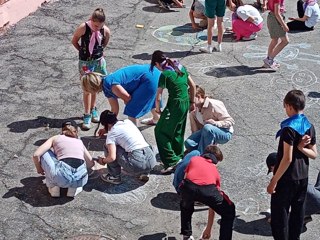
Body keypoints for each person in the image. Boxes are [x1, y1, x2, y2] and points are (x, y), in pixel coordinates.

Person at [266, 90, 317, 240]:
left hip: (287, 179)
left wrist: (273, 181)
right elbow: (314, 154)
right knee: (297, 216)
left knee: (279, 217)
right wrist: (301, 148)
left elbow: (287, 158)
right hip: (303, 177)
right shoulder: (309, 125)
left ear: (289, 106)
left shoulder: (289, 129)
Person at [150, 50, 196, 173]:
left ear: (157, 64)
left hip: (175, 104)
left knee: (160, 131)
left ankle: (171, 161)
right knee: (178, 130)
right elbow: (192, 85)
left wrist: (158, 109)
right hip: (185, 101)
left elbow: (159, 95)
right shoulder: (180, 66)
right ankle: (178, 154)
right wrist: (192, 102)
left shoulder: (165, 74)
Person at [179, 145, 235, 240]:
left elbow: (185, 178)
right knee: (229, 211)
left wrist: (186, 199)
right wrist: (208, 229)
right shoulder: (215, 171)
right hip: (207, 190)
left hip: (188, 187)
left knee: (185, 206)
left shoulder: (194, 159)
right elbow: (212, 205)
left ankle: (186, 235)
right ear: (215, 160)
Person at [81, 64, 161, 126]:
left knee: (131, 108)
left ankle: (134, 136)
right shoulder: (106, 85)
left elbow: (128, 98)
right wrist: (108, 126)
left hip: (150, 78)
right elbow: (114, 109)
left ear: (93, 88)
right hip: (153, 72)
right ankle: (156, 119)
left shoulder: (110, 84)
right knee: (149, 97)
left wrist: (131, 106)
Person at [32, 120, 95, 198]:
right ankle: (73, 189)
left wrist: (39, 169)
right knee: (78, 161)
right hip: (81, 179)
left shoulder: (56, 138)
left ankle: (54, 187)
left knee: (44, 152)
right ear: (77, 131)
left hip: (61, 177)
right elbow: (91, 163)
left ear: (62, 130)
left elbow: (36, 155)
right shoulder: (79, 141)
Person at [72, 8, 111, 130]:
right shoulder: (83, 27)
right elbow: (74, 41)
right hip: (86, 62)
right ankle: (87, 114)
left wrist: (97, 53)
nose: (97, 28)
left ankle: (94, 108)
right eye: (95, 25)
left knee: (96, 86)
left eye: (100, 26)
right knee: (87, 89)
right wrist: (83, 52)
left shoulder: (105, 30)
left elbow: (104, 43)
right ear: (91, 20)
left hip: (98, 62)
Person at [95, 110, 157, 184]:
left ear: (107, 124)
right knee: (137, 143)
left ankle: (114, 176)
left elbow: (112, 158)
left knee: (108, 147)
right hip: (151, 160)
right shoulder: (128, 122)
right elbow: (122, 132)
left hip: (137, 164)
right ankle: (145, 172)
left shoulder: (111, 135)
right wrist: (106, 130)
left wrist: (103, 161)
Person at [266, 152, 320, 225]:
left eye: (271, 170)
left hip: (316, 204)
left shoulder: (281, 180)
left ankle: (304, 216)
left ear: (273, 167)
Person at [184, 85, 234, 154]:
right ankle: (196, 156)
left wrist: (215, 123)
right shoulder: (195, 112)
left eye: (190, 100)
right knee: (189, 143)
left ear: (198, 96)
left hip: (224, 132)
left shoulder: (213, 104)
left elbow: (230, 121)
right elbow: (195, 132)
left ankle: (205, 156)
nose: (189, 103)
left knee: (208, 128)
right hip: (207, 132)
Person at [263, 0, 289, 69]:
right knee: (285, 41)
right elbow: (277, 13)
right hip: (276, 19)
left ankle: (268, 62)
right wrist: (284, 25)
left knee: (275, 40)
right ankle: (270, 59)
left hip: (271, 17)